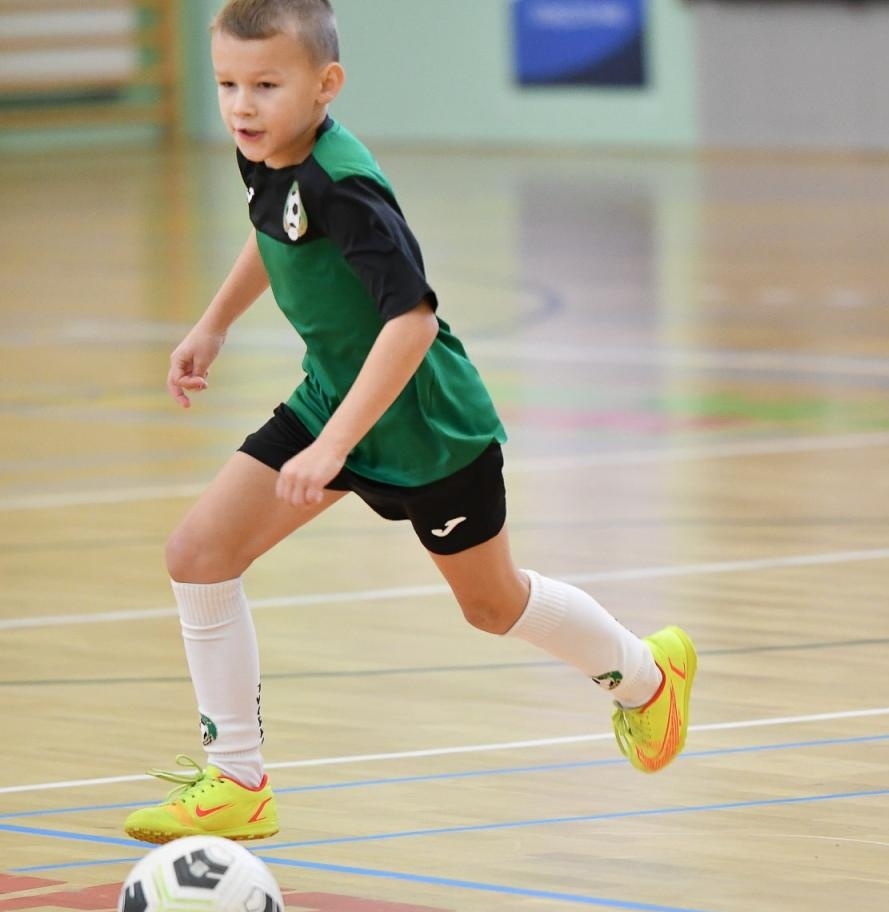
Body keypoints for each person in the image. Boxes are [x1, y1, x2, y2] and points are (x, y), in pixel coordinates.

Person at [123, 0, 695, 845]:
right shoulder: (273, 155)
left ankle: (648, 678)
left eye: (266, 85)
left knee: (492, 606)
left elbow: (412, 321)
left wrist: (334, 447)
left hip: (428, 427)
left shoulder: (343, 186)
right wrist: (215, 323)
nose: (242, 106)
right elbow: (272, 231)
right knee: (199, 554)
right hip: (335, 398)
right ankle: (237, 780)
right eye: (228, 84)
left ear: (327, 86)